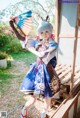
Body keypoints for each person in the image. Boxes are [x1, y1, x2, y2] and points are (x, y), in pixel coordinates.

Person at [9, 18, 60, 118]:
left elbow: (43, 55)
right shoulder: (36, 42)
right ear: (39, 33)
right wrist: (14, 27)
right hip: (37, 72)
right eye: (42, 32)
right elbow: (22, 39)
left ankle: (43, 114)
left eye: (47, 31)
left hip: (47, 73)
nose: (45, 34)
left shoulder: (53, 44)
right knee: (33, 98)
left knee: (48, 99)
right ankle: (24, 110)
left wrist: (30, 49)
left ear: (50, 32)